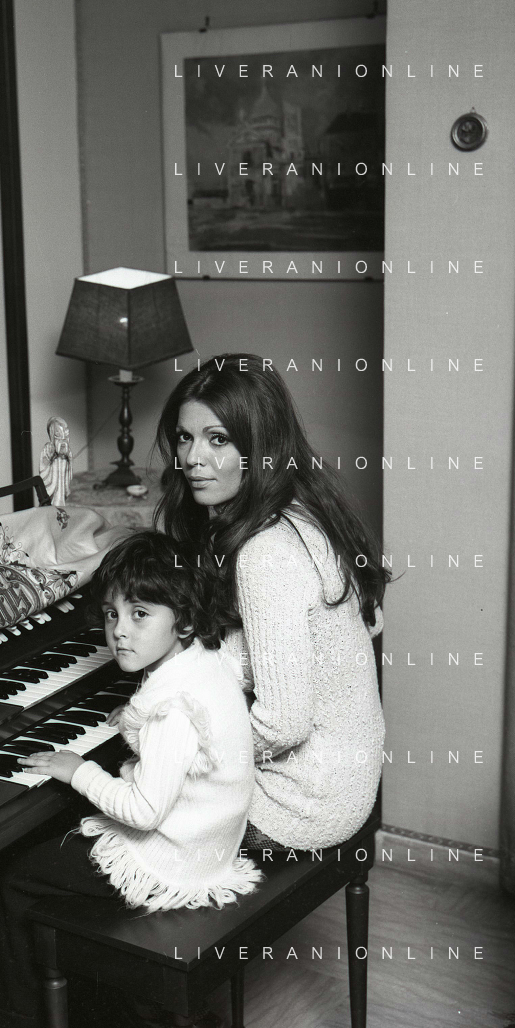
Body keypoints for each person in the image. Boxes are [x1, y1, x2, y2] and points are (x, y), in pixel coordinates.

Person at [0, 530, 260, 1028]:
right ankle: (121, 1008)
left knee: (18, 879)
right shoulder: (202, 665)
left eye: (140, 615)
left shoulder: (172, 710)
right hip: (207, 839)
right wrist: (128, 732)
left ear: (182, 621)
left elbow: (144, 811)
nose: (119, 631)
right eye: (111, 614)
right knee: (65, 836)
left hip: (171, 858)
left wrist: (79, 770)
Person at [155, 355, 389, 855]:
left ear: (259, 446)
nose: (193, 458)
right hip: (344, 783)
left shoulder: (266, 553)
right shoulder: (305, 509)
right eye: (184, 437)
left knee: (110, 805)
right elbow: (364, 625)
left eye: (218, 439)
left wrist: (182, 751)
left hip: (296, 804)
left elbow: (284, 724)